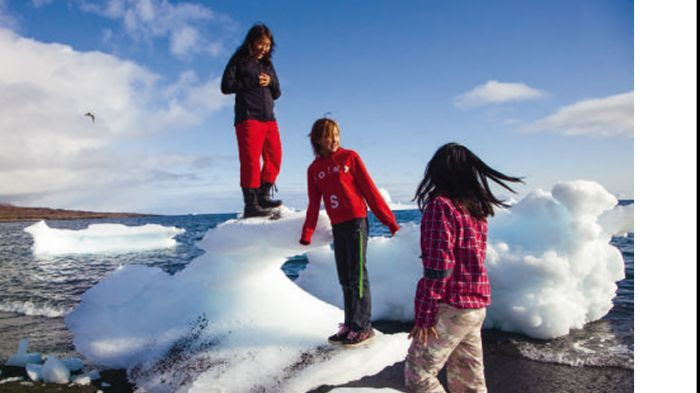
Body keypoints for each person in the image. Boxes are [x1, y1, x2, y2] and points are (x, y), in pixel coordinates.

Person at [404, 143, 523, 393]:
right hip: (475, 306)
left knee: (419, 375)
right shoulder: (474, 210)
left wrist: (425, 315)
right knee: (469, 380)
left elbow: (439, 267)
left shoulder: (441, 207)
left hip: (452, 306)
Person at [299, 117, 400, 347]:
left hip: (356, 222)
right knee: (344, 277)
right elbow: (314, 203)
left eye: (336, 134)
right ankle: (350, 324)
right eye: (328, 135)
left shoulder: (350, 157)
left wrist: (390, 223)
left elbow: (370, 191)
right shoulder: (314, 169)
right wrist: (308, 232)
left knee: (357, 276)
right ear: (317, 139)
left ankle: (363, 326)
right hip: (338, 225)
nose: (334, 139)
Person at [221, 23, 283, 218]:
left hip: (269, 119)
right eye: (260, 44)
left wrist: (270, 82)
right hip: (248, 118)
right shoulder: (239, 59)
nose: (263, 48)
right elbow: (226, 86)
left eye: (267, 45)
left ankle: (263, 196)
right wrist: (253, 81)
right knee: (251, 162)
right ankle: (251, 205)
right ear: (251, 42)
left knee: (275, 157)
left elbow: (278, 92)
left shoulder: (268, 64)